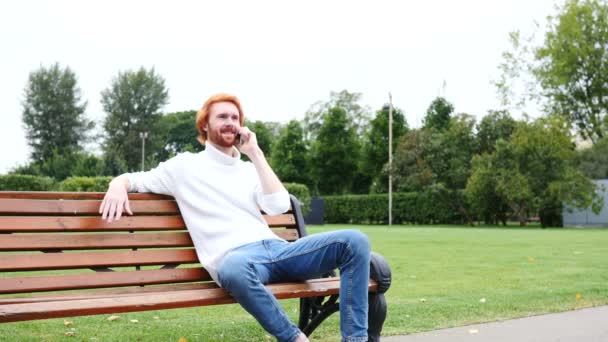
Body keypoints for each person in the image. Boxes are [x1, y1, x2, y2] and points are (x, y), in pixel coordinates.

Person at [99, 93, 371, 342]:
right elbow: (135, 179)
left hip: (277, 250)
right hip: (239, 260)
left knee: (354, 241)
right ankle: (294, 338)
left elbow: (277, 205)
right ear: (204, 125)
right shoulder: (183, 167)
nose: (230, 122)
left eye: (235, 118)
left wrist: (255, 153)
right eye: (222, 117)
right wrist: (117, 185)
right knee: (233, 269)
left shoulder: (248, 169)